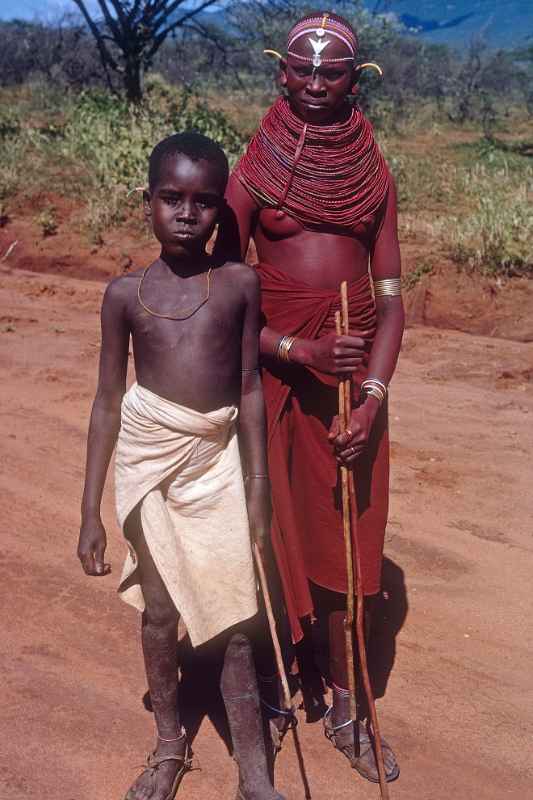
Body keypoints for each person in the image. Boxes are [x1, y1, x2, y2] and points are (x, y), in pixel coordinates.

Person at [217, 10, 404, 785]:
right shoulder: (251, 173)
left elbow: (391, 303)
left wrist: (368, 398)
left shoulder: (375, 175)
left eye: (333, 74)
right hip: (273, 382)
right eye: (304, 71)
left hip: (349, 392)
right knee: (269, 534)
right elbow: (219, 297)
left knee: (347, 553)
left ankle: (349, 706)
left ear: (355, 79)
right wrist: (297, 348)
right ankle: (279, 684)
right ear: (280, 72)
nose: (317, 84)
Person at [77, 132, 285, 800]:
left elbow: (250, 387)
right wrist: (89, 513)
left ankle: (253, 772)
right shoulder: (122, 295)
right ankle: (169, 745)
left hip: (216, 463)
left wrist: (257, 488)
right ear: (148, 202)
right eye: (172, 198)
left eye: (202, 201)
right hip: (149, 464)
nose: (187, 213)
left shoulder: (237, 284)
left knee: (235, 623)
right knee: (161, 613)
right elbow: (107, 402)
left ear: (221, 209)